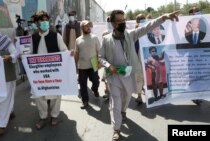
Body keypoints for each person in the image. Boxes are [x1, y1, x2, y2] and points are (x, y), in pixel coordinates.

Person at [98, 9, 179, 141]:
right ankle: (116, 129)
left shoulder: (131, 35)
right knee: (115, 103)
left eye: (123, 20)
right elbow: (100, 57)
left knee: (126, 98)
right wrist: (108, 66)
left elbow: (147, 27)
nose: (122, 22)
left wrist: (163, 17)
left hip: (129, 75)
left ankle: (123, 111)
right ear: (112, 23)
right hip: (113, 76)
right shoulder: (106, 39)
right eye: (119, 21)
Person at [30, 11, 69, 129]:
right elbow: (30, 52)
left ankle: (54, 115)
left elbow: (64, 51)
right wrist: (24, 56)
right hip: (38, 73)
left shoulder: (56, 35)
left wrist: (69, 54)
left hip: (54, 72)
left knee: (56, 94)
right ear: (36, 23)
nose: (45, 22)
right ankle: (43, 116)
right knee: (39, 95)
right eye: (42, 20)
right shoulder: (34, 37)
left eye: (46, 20)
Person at [75, 20, 100, 109]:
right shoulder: (78, 40)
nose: (88, 27)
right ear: (82, 28)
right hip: (82, 66)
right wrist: (76, 66)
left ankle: (95, 89)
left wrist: (99, 62)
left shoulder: (95, 38)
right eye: (86, 26)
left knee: (95, 81)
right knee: (82, 85)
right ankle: (85, 101)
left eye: (89, 25)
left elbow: (99, 52)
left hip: (93, 65)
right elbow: (76, 53)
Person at [134, 14, 147, 105]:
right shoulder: (135, 31)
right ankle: (139, 95)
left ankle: (140, 94)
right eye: (141, 19)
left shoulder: (148, 29)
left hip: (145, 55)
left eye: (143, 19)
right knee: (140, 77)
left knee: (143, 77)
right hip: (139, 56)